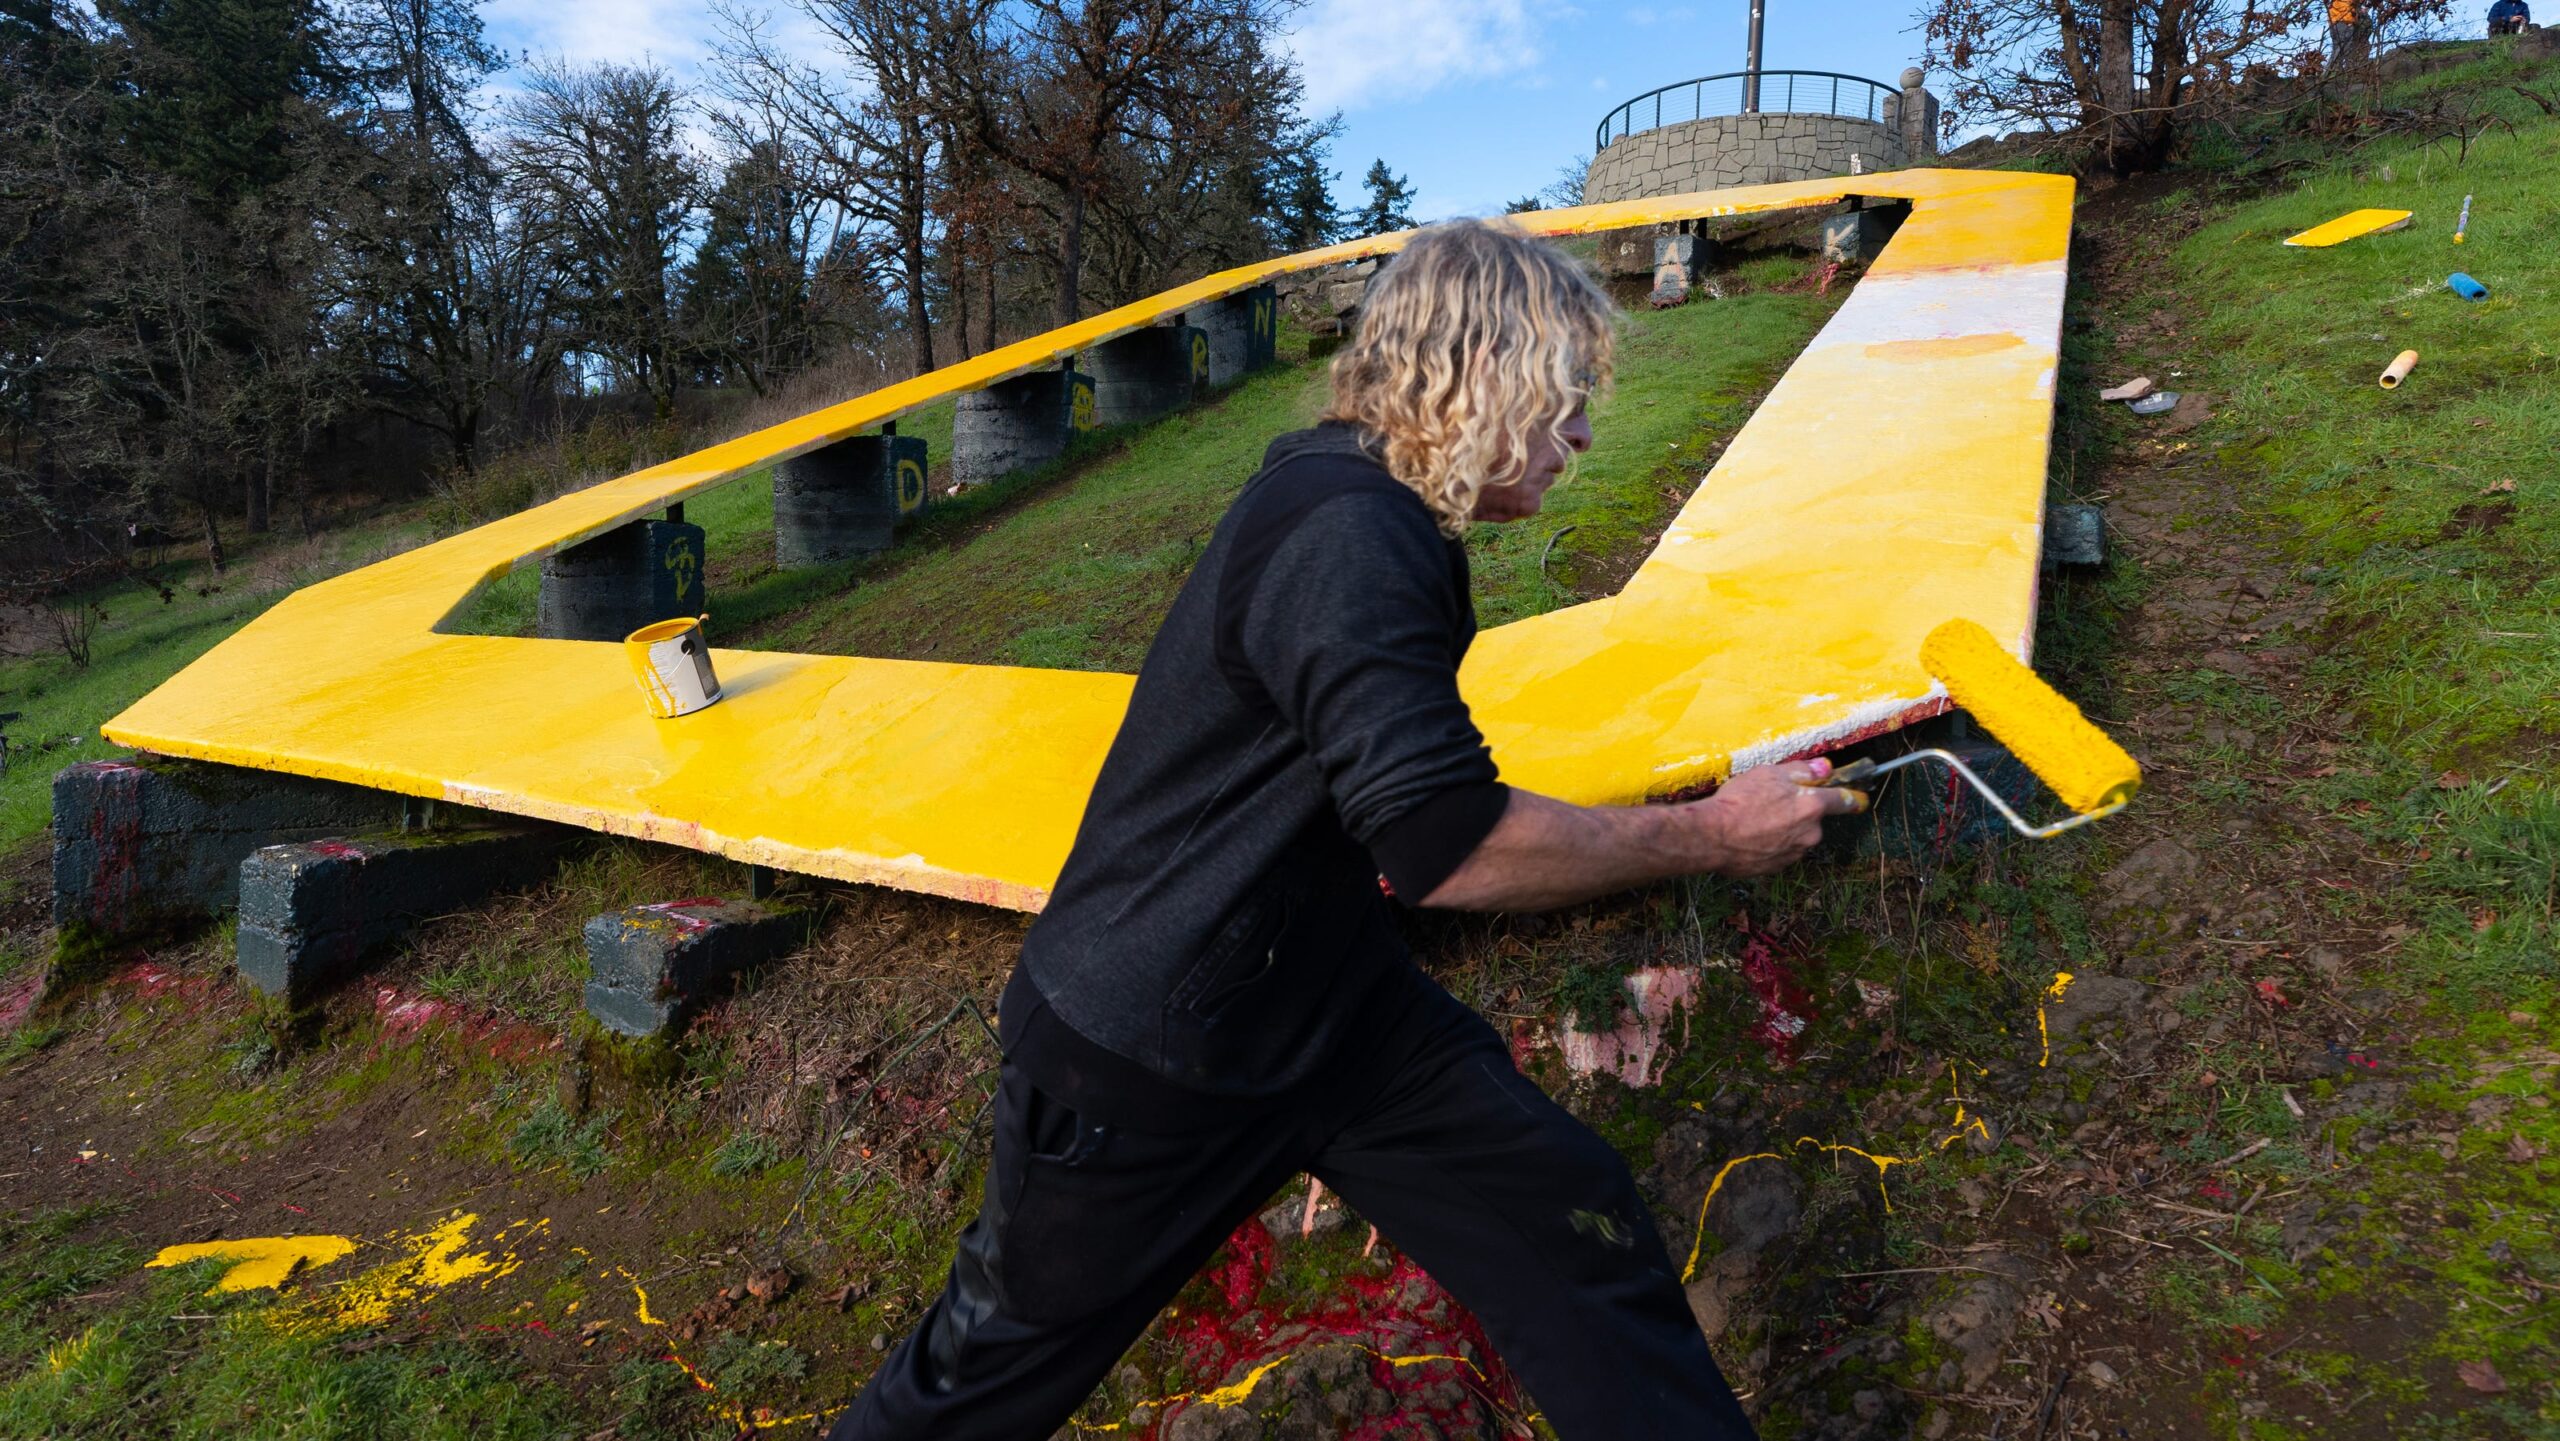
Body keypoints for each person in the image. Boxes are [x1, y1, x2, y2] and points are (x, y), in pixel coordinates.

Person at [825, 219, 1865, 1441]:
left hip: (1323, 1007)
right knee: (977, 1387)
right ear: (1481, 379)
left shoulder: (1361, 500)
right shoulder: (1351, 534)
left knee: (1564, 1214)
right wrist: (1711, 835)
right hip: (1146, 1049)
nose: (1581, 436)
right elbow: (1446, 845)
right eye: (1565, 398)